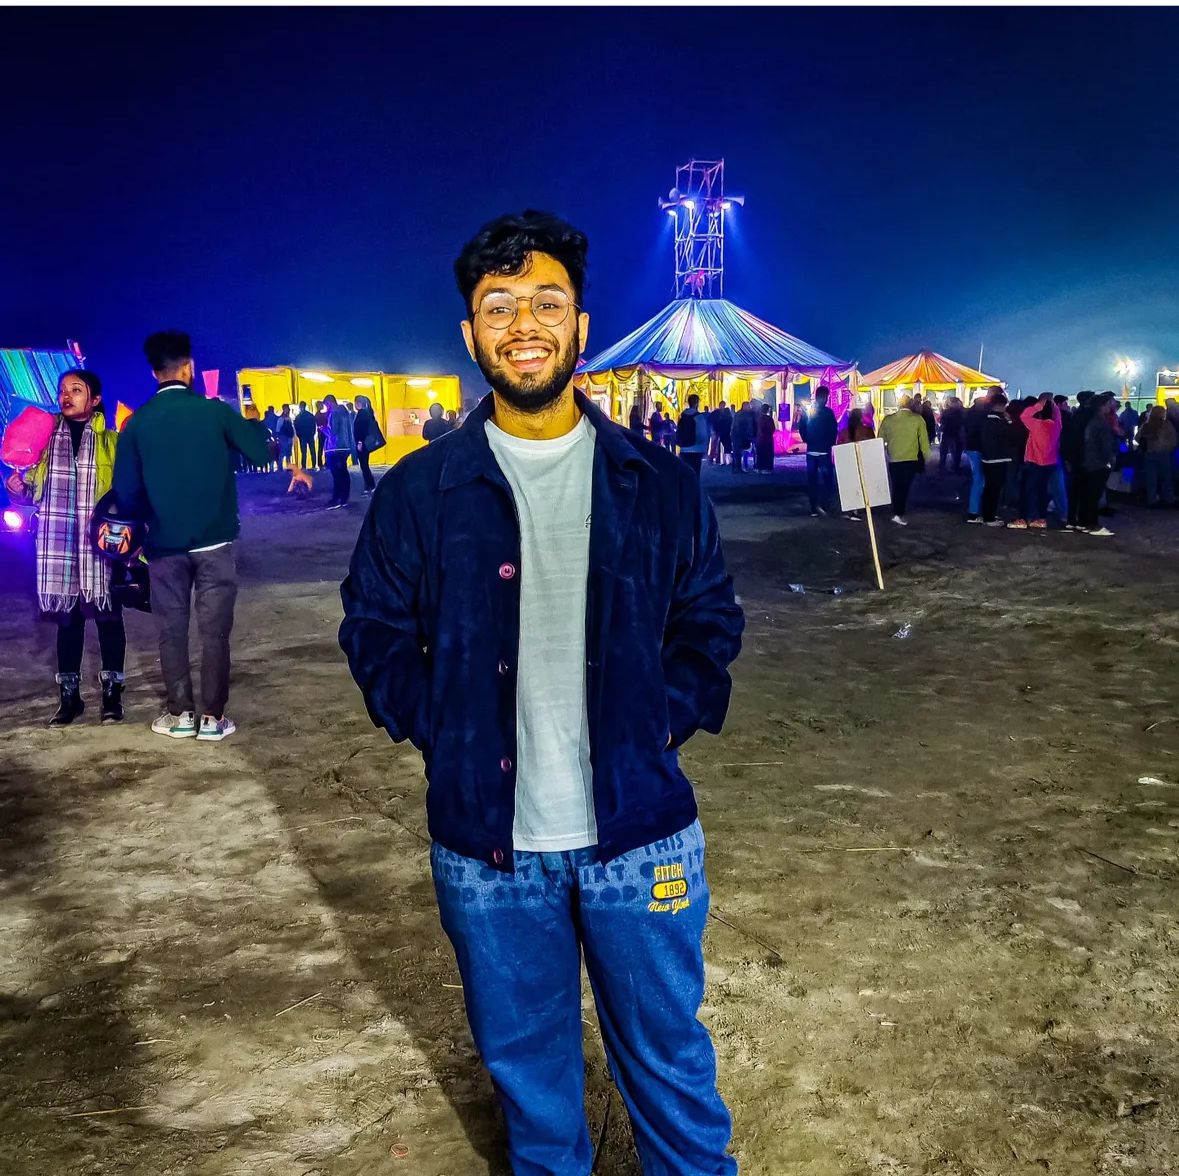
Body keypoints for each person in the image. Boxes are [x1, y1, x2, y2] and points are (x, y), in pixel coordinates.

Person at [339, 210, 743, 1176]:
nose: (524, 324)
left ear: (581, 324)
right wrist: (441, 728)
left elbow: (709, 620)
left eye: (546, 302)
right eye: (499, 306)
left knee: (671, 1070)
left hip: (639, 838)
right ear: (470, 333)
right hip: (487, 850)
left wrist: (659, 719)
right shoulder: (419, 492)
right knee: (531, 1082)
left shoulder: (660, 484)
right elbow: (373, 628)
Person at [112, 330, 271, 741]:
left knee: (172, 630)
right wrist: (253, 418)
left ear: (154, 372)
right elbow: (261, 452)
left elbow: (125, 493)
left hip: (164, 547)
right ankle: (213, 718)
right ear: (189, 367)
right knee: (215, 633)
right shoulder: (214, 412)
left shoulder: (137, 424)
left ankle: (180, 715)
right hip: (215, 543)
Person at [5, 369, 126, 725]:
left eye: (76, 390)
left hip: (101, 544)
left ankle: (112, 696)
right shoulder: (43, 439)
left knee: (108, 616)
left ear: (95, 399)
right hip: (58, 543)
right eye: (63, 391)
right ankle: (69, 699)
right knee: (68, 621)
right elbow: (30, 492)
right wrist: (17, 488)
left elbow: (128, 492)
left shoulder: (112, 442)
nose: (66, 396)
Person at [1012, 394, 1062, 529]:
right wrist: (1053, 405)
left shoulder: (1037, 424)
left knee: (1027, 491)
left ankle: (1023, 518)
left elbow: (1024, 416)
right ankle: (1041, 518)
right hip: (1050, 463)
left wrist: (1039, 405)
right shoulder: (1056, 426)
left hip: (1034, 462)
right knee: (1042, 491)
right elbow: (1058, 416)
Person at [879, 396, 930, 526]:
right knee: (905, 487)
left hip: (894, 459)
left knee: (896, 486)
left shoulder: (888, 419)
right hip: (910, 459)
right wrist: (926, 455)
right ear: (911, 405)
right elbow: (923, 440)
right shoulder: (918, 419)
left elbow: (880, 439)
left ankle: (897, 511)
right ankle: (898, 512)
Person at [1078, 394, 1120, 536]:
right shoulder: (1100, 422)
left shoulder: (1093, 421)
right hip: (1098, 463)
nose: (1110, 406)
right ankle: (1092, 525)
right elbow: (1104, 445)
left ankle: (1084, 522)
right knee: (1093, 495)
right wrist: (1109, 461)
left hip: (1091, 462)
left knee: (1089, 494)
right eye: (1108, 404)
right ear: (1102, 406)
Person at [979, 391, 1016, 526]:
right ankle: (989, 518)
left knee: (989, 488)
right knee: (994, 489)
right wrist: (1009, 421)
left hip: (987, 458)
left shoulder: (985, 419)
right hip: (998, 459)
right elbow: (1010, 436)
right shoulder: (999, 421)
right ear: (1000, 405)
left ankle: (988, 514)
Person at [1061, 390, 1096, 530]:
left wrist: (1067, 458)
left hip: (1075, 458)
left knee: (1074, 491)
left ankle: (1071, 519)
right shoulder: (1090, 416)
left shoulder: (1074, 416)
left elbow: (1067, 439)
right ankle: (1083, 521)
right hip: (1086, 458)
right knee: (1086, 491)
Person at [799, 386, 837, 514]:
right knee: (828, 480)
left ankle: (813, 508)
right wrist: (830, 443)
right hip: (824, 451)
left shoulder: (808, 411)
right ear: (824, 397)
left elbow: (801, 427)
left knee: (812, 481)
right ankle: (825, 505)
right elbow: (833, 430)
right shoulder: (828, 413)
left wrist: (807, 440)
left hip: (811, 451)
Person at [962, 390, 993, 523]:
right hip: (978, 449)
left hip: (971, 448)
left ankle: (975, 511)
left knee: (978, 479)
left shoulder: (969, 414)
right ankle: (974, 512)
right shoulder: (982, 416)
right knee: (979, 480)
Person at [1138, 405, 1177, 507]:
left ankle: (1152, 499)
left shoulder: (1147, 425)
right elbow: (1173, 439)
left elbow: (1138, 438)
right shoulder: (1166, 424)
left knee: (1151, 477)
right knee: (1166, 477)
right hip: (1164, 453)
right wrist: (1169, 446)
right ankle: (1168, 497)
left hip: (1149, 454)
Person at [322, 393, 356, 508]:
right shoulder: (346, 412)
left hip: (336, 447)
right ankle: (344, 498)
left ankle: (337, 498)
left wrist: (323, 429)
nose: (326, 408)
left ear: (329, 403)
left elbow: (333, 432)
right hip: (345, 447)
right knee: (343, 473)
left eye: (326, 405)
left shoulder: (334, 413)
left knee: (337, 474)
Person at [353, 394, 385, 494]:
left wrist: (359, 442)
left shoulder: (362, 414)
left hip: (362, 443)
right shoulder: (367, 413)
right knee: (364, 465)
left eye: (355, 403)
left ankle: (370, 485)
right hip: (364, 442)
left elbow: (361, 429)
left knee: (364, 465)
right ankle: (369, 485)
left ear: (358, 403)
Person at [677, 392, 710, 475]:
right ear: (697, 403)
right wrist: (704, 449)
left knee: (685, 475)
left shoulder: (682, 417)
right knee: (694, 474)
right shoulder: (699, 417)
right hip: (696, 450)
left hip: (684, 449)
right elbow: (703, 435)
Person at [938, 396, 965, 473]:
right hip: (955, 434)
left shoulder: (946, 412)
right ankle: (955, 467)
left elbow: (942, 422)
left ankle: (942, 465)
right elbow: (962, 422)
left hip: (947, 433)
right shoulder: (960, 412)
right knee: (956, 452)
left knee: (944, 451)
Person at [731, 400, 756, 474]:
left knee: (738, 452)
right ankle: (737, 467)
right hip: (740, 436)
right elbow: (740, 426)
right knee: (738, 452)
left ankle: (736, 467)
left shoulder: (740, 414)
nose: (749, 407)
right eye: (748, 406)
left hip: (738, 435)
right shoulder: (743, 415)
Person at [294, 401, 317, 469]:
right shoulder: (310, 415)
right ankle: (313, 465)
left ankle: (304, 466)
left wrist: (299, 435)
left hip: (303, 436)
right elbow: (314, 425)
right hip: (309, 435)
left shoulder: (298, 417)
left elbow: (296, 427)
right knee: (312, 451)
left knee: (304, 452)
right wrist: (313, 433)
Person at [755, 403, 776, 473]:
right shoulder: (769, 419)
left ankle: (759, 467)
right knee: (768, 454)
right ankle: (767, 468)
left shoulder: (758, 418)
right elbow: (773, 429)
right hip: (768, 439)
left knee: (760, 453)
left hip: (759, 439)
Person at [711, 401, 733, 465]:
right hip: (719, 431)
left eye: (723, 405)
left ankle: (726, 460)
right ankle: (718, 460)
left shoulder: (726, 413)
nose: (722, 407)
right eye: (722, 405)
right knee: (718, 446)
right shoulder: (716, 413)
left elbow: (730, 422)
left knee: (725, 446)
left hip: (725, 432)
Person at [276, 405, 296, 469]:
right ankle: (283, 467)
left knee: (286, 453)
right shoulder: (283, 419)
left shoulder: (283, 418)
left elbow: (277, 429)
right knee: (285, 453)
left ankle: (284, 467)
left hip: (285, 437)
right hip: (285, 437)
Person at [314, 399, 329, 468]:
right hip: (323, 433)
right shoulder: (319, 415)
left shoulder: (318, 414)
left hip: (321, 433)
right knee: (324, 448)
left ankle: (321, 463)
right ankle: (323, 463)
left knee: (321, 448)